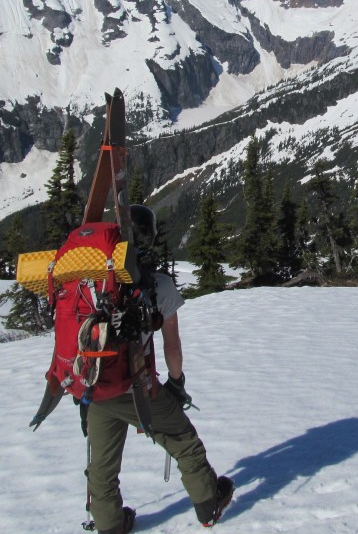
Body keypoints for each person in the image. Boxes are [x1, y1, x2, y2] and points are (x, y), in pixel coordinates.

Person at [85, 204, 233, 533]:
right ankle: (209, 504)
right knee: (184, 440)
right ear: (150, 238)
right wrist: (176, 383)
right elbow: (172, 345)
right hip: (136, 385)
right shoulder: (159, 284)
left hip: (94, 384)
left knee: (102, 465)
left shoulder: (93, 278)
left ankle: (109, 523)